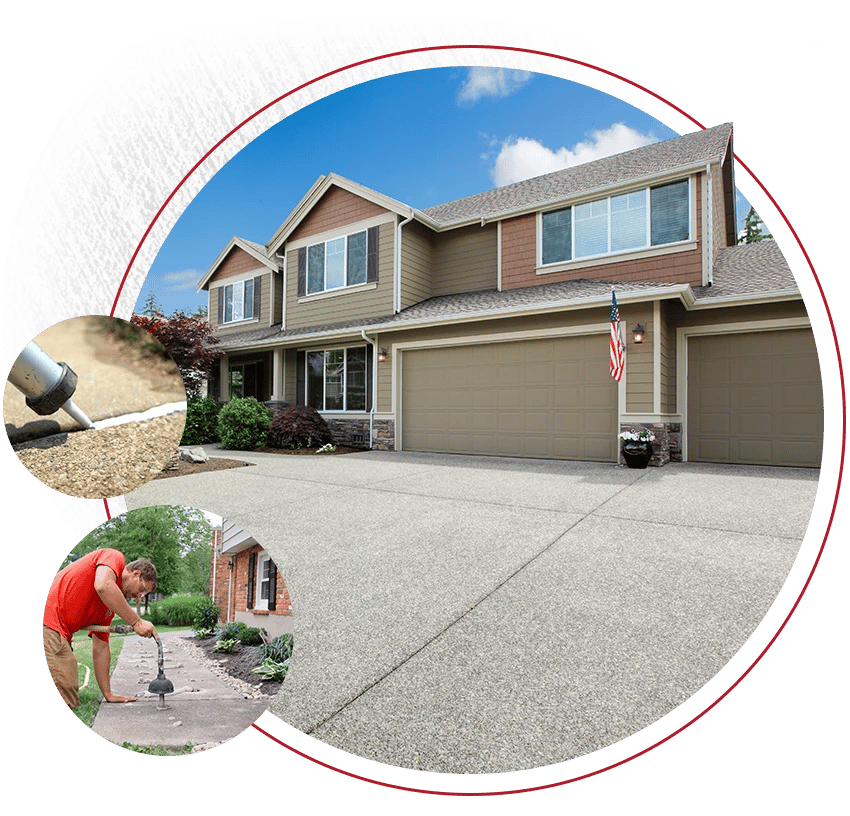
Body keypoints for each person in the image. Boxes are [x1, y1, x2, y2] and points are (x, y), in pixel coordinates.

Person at [43, 548, 159, 707]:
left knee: (69, 683)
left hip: (59, 632)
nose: (140, 596)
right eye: (142, 590)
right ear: (136, 574)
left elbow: (100, 648)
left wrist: (108, 694)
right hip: (47, 620)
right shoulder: (114, 557)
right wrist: (137, 622)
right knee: (67, 697)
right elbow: (103, 585)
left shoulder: (107, 609)